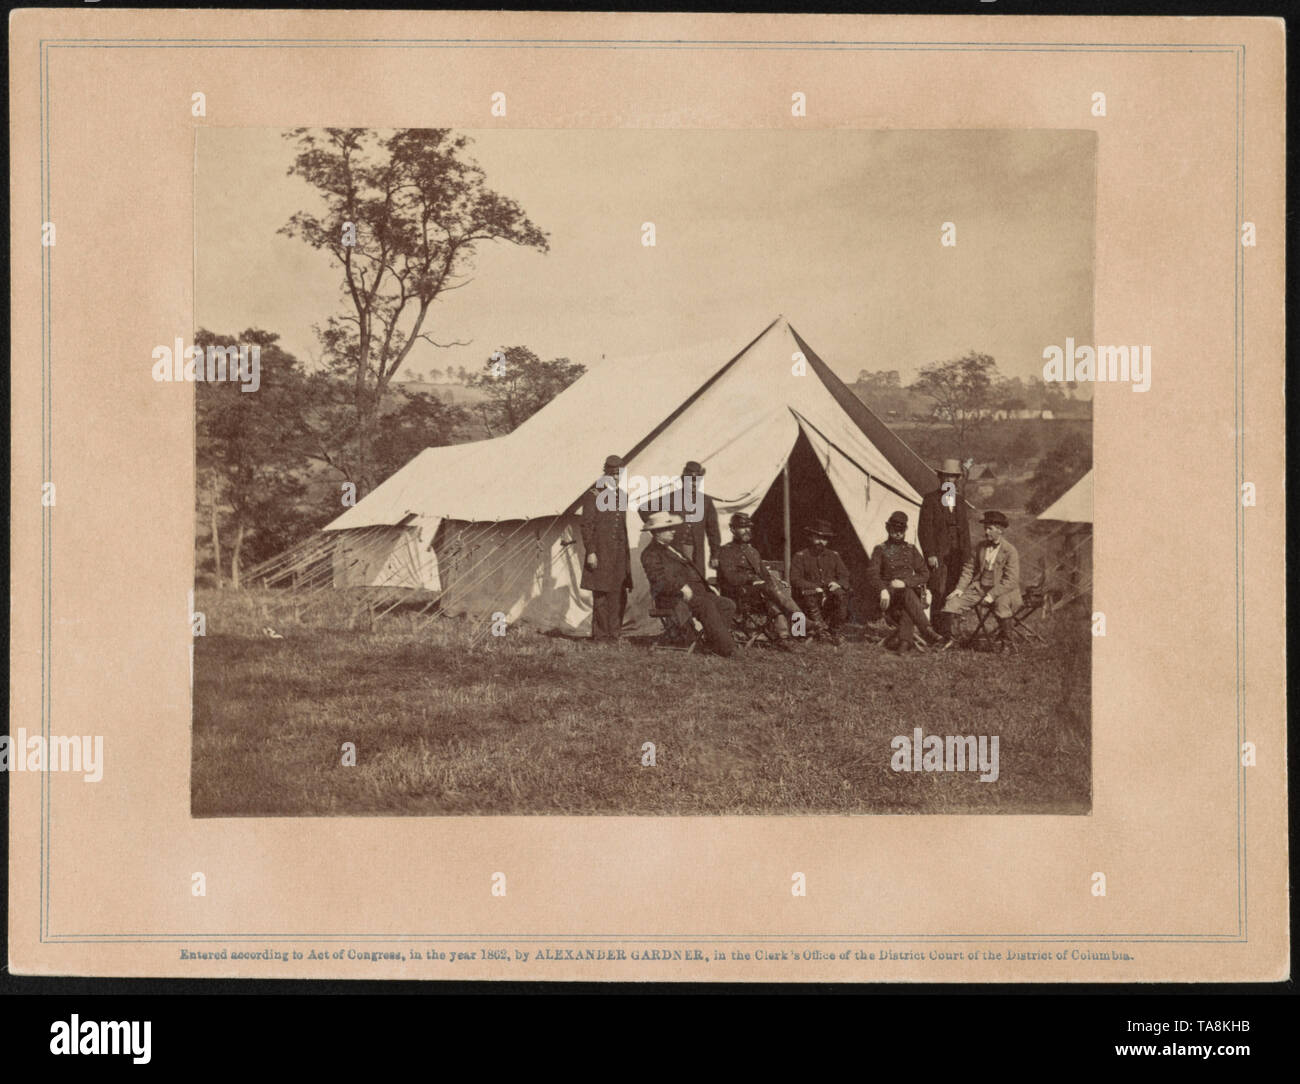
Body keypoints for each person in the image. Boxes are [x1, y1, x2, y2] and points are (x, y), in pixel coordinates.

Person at [641, 511, 736, 657]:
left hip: (693, 592)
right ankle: (726, 649)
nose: (673, 531)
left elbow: (689, 573)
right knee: (706, 605)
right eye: (669, 528)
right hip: (670, 597)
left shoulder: (673, 548)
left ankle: (714, 642)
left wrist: (707, 587)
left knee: (727, 604)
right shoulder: (650, 553)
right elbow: (658, 581)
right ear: (657, 532)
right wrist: (680, 587)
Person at [716, 512, 803, 651]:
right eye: (742, 527)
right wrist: (752, 580)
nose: (747, 530)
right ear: (733, 529)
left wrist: (776, 582)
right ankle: (800, 620)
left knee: (774, 594)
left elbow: (765, 575)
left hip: (761, 594)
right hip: (738, 595)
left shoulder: (753, 552)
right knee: (770, 590)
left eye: (749, 527)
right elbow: (730, 578)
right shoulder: (726, 551)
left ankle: (785, 637)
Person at [941, 510, 1023, 652]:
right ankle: (954, 641)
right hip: (980, 588)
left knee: (1001, 604)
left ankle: (1008, 644)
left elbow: (1011, 580)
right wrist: (959, 589)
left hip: (1003, 590)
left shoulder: (1010, 550)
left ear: (1000, 530)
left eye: (990, 528)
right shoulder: (980, 547)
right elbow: (969, 569)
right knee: (952, 602)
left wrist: (991, 595)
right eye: (985, 528)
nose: (986, 531)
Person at [868, 510, 943, 653]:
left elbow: (925, 574)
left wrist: (906, 582)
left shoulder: (911, 549)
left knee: (907, 597)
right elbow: (872, 574)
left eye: (901, 530)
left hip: (910, 597)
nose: (897, 533)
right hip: (889, 597)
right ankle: (927, 630)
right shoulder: (880, 550)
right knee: (907, 595)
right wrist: (882, 590)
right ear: (887, 528)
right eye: (894, 529)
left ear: (905, 530)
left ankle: (904, 643)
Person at [579, 453, 633, 643]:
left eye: (619, 475)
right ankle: (601, 636)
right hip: (601, 553)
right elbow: (587, 525)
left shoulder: (622, 496)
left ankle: (614, 634)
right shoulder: (593, 495)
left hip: (618, 554)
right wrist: (591, 551)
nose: (616, 478)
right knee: (601, 594)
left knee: (618, 593)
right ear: (606, 475)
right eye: (613, 475)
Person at [918, 458, 971, 640]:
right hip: (939, 555)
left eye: (953, 477)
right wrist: (930, 553)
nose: (949, 480)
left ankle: (950, 631)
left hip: (956, 555)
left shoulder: (960, 501)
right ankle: (937, 632)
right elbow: (924, 530)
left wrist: (967, 556)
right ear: (940, 478)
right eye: (946, 476)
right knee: (938, 591)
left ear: (957, 480)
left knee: (953, 591)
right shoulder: (930, 500)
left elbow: (965, 530)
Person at [789, 519, 851, 646]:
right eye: (818, 537)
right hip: (805, 599)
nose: (821, 542)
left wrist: (838, 584)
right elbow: (795, 579)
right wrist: (815, 587)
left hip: (827, 598)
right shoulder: (800, 556)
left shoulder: (834, 556)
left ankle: (835, 631)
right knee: (809, 594)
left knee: (841, 594)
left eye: (825, 539)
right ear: (810, 537)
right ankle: (820, 630)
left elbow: (845, 575)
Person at [670, 460, 722, 580]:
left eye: (697, 481)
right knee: (676, 582)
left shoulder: (706, 501)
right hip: (674, 549)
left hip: (695, 550)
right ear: (683, 480)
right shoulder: (671, 497)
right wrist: (658, 530)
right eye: (691, 480)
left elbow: (713, 530)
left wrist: (715, 554)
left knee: (696, 581)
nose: (694, 484)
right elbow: (644, 509)